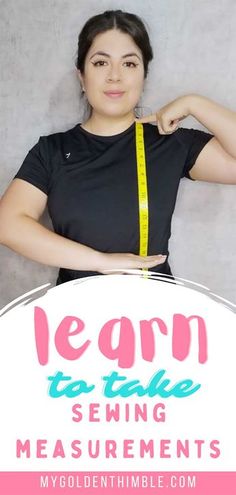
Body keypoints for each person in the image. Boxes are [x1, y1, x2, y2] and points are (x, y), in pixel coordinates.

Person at [0, 9, 235, 287]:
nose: (115, 76)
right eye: (100, 63)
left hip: (154, 318)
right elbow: (8, 225)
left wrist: (195, 103)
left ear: (144, 76)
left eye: (129, 64)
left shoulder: (169, 141)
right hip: (75, 318)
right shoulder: (51, 151)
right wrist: (100, 261)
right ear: (81, 76)